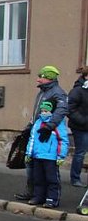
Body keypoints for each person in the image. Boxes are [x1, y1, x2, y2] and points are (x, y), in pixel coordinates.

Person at [15, 65, 69, 201]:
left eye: (41, 77)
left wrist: (49, 126)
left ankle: (47, 196)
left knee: (47, 172)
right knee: (33, 166)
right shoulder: (43, 92)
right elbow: (37, 114)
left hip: (47, 135)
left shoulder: (58, 92)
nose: (38, 79)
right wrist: (29, 127)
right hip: (37, 130)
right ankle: (34, 193)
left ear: (48, 78)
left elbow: (62, 110)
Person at [26, 101, 69, 207]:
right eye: (42, 110)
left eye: (46, 111)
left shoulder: (57, 123)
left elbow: (62, 140)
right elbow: (32, 138)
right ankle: (38, 196)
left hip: (51, 157)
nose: (43, 112)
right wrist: (29, 153)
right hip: (37, 155)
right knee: (38, 178)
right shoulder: (38, 123)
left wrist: (61, 156)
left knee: (52, 179)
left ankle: (52, 199)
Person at [67, 66, 88, 187]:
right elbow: (70, 109)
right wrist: (84, 121)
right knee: (80, 153)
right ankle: (75, 178)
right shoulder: (77, 91)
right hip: (81, 127)